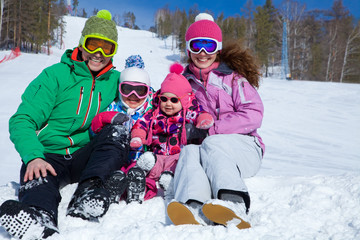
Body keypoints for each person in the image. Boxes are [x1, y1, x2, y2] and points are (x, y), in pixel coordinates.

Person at [0, 10, 130, 239]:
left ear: (113, 51)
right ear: (82, 44)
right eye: (93, 45)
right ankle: (39, 219)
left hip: (85, 156)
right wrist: (33, 156)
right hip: (49, 154)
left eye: (106, 48)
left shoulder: (114, 80)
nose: (98, 54)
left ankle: (88, 192)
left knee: (117, 131)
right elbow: (22, 119)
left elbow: (143, 98)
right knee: (39, 180)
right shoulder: (55, 76)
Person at [166, 13, 265, 229]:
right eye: (197, 45)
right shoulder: (185, 83)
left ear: (217, 48)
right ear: (188, 48)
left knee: (211, 142)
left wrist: (212, 130)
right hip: (206, 152)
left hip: (245, 148)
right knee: (189, 151)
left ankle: (234, 203)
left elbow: (254, 113)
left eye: (208, 47)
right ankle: (193, 205)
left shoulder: (232, 78)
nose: (202, 53)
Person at [129, 63, 214, 203]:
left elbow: (197, 114)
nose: (168, 104)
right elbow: (141, 124)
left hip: (176, 156)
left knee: (180, 164)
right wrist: (138, 137)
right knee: (151, 161)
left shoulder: (184, 114)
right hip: (157, 155)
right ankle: (142, 175)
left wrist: (202, 119)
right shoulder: (154, 114)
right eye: (164, 99)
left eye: (174, 100)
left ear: (184, 101)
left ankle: (169, 181)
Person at [90, 55, 156, 204]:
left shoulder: (150, 110)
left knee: (141, 171)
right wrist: (102, 120)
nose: (133, 96)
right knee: (111, 168)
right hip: (116, 156)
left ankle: (138, 185)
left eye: (140, 90)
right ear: (120, 89)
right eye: (127, 90)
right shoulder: (113, 107)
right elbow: (94, 131)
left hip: (140, 158)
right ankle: (114, 184)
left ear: (148, 91)